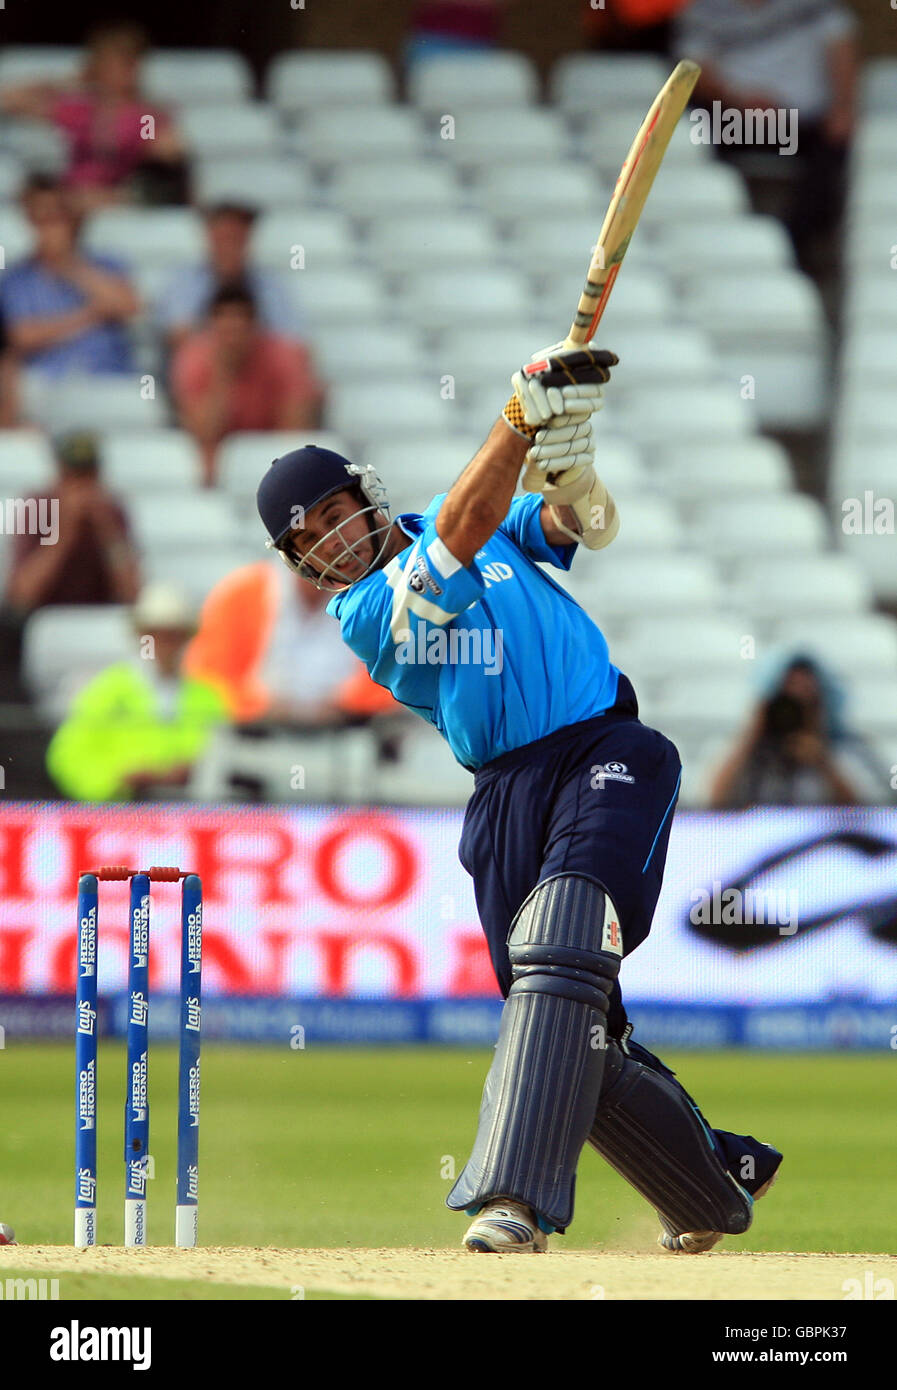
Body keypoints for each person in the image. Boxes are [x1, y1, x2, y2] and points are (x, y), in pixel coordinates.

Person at [256, 347, 782, 1255]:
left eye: (337, 516)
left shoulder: (474, 521)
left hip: (604, 749)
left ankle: (513, 1200)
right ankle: (710, 1184)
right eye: (311, 540)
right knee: (572, 1024)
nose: (333, 542)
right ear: (301, 564)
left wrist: (574, 472)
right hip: (503, 796)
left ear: (367, 497)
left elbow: (583, 527)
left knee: (563, 938)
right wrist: (514, 421)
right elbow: (461, 531)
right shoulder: (370, 612)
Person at [673, 0, 859, 274]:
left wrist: (842, 107)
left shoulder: (818, 6)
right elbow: (693, 68)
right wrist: (738, 99)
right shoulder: (703, 11)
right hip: (735, 118)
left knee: (835, 151)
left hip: (803, 124)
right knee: (691, 133)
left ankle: (792, 248)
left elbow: (842, 50)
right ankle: (722, 239)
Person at [46, 582, 227, 802]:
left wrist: (191, 771)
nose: (165, 643)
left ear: (185, 639)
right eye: (156, 634)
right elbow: (66, 756)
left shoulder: (209, 696)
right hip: (118, 814)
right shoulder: (106, 690)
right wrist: (118, 779)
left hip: (187, 812)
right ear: (141, 635)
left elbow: (223, 757)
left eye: (173, 635)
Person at [185, 555, 400, 726]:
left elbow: (395, 677)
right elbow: (208, 679)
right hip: (254, 737)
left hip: (354, 734)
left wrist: (345, 705)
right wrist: (261, 707)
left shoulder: (375, 598)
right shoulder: (239, 594)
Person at [0, 20, 184, 212]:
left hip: (120, 201)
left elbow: (161, 155)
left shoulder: (145, 116)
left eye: (130, 63)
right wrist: (68, 81)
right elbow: (9, 100)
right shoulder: (80, 110)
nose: (124, 72)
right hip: (71, 199)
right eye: (112, 63)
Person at [171, 285, 323, 485]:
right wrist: (223, 373)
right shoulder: (193, 358)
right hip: (220, 462)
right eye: (226, 331)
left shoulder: (285, 356)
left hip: (273, 457)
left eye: (239, 330)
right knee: (201, 463)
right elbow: (203, 432)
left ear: (255, 328)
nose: (233, 340)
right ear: (212, 329)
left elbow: (296, 429)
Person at [0, 176, 139, 380]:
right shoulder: (15, 279)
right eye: (42, 220)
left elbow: (129, 306)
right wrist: (92, 314)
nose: (51, 229)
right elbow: (22, 336)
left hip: (108, 376)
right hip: (45, 381)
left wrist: (68, 265)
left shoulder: (107, 263)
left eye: (57, 217)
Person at [708, 650, 882, 807]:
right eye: (787, 696)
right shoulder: (748, 753)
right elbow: (712, 802)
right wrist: (751, 737)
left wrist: (822, 762)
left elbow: (863, 814)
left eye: (806, 695)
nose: (794, 707)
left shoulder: (846, 750)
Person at [4, 430, 140, 618]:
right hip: (42, 617)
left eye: (88, 477)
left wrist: (108, 533)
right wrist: (63, 536)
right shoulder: (36, 508)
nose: (81, 488)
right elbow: (21, 595)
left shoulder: (112, 512)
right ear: (59, 476)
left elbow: (132, 594)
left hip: (99, 617)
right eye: (73, 477)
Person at [156, 204, 308, 351]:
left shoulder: (271, 284)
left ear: (248, 239)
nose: (230, 246)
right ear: (209, 237)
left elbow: (293, 342)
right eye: (224, 237)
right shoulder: (183, 281)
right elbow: (178, 337)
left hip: (258, 367)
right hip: (201, 370)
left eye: (236, 237)